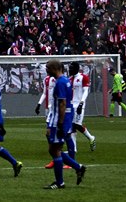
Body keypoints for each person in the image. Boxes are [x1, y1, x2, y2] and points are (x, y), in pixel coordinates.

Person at [43, 59, 86, 189]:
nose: (46, 70)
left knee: (56, 150)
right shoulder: (66, 81)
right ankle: (78, 167)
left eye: (48, 68)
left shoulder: (61, 82)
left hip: (58, 120)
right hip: (57, 119)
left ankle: (60, 182)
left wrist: (60, 124)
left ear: (55, 68)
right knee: (53, 149)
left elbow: (62, 104)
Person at [69, 62, 96, 152]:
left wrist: (81, 103)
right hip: (71, 105)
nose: (69, 69)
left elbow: (85, 91)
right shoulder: (70, 79)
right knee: (72, 126)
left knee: (77, 125)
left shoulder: (83, 77)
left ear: (76, 68)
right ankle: (74, 148)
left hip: (79, 104)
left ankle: (91, 137)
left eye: (71, 68)